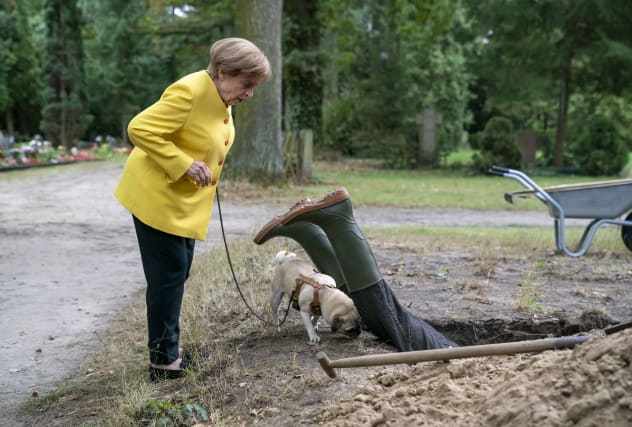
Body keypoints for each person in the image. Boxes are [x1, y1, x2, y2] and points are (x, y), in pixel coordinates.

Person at [115, 37, 271, 382]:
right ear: (222, 72)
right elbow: (138, 128)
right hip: (157, 197)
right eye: (247, 84)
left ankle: (166, 351)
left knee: (176, 273)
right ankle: (163, 364)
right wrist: (184, 164)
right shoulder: (190, 91)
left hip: (180, 202)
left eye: (254, 86)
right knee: (168, 278)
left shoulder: (219, 94)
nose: (249, 93)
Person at [254, 188, 458, 352]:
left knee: (346, 299)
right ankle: (339, 219)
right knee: (387, 317)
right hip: (451, 352)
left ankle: (307, 230)